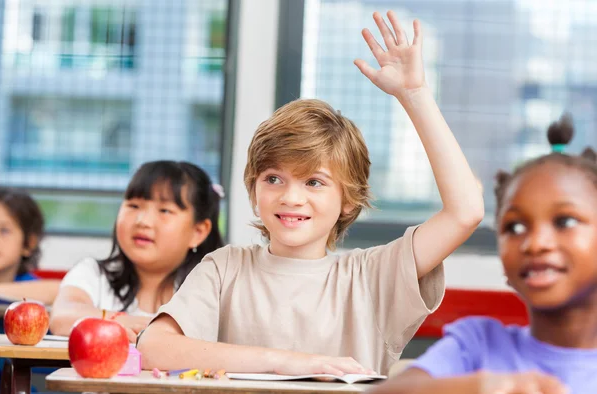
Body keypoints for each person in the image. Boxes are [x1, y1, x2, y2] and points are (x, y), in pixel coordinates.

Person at [137, 11, 483, 376]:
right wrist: (291, 363)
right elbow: (154, 347)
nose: (291, 197)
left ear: (348, 198)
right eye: (273, 179)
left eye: (314, 182)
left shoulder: (372, 277)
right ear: (253, 187)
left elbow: (466, 211)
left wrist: (414, 94)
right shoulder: (224, 269)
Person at [370, 115, 595, 394]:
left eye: (565, 222)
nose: (535, 243)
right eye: (515, 226)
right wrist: (483, 386)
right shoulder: (478, 344)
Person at [49, 160, 224, 342]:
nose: (143, 221)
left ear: (198, 232)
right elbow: (63, 316)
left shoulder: (212, 290)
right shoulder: (93, 273)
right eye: (133, 206)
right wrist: (122, 321)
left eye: (164, 210)